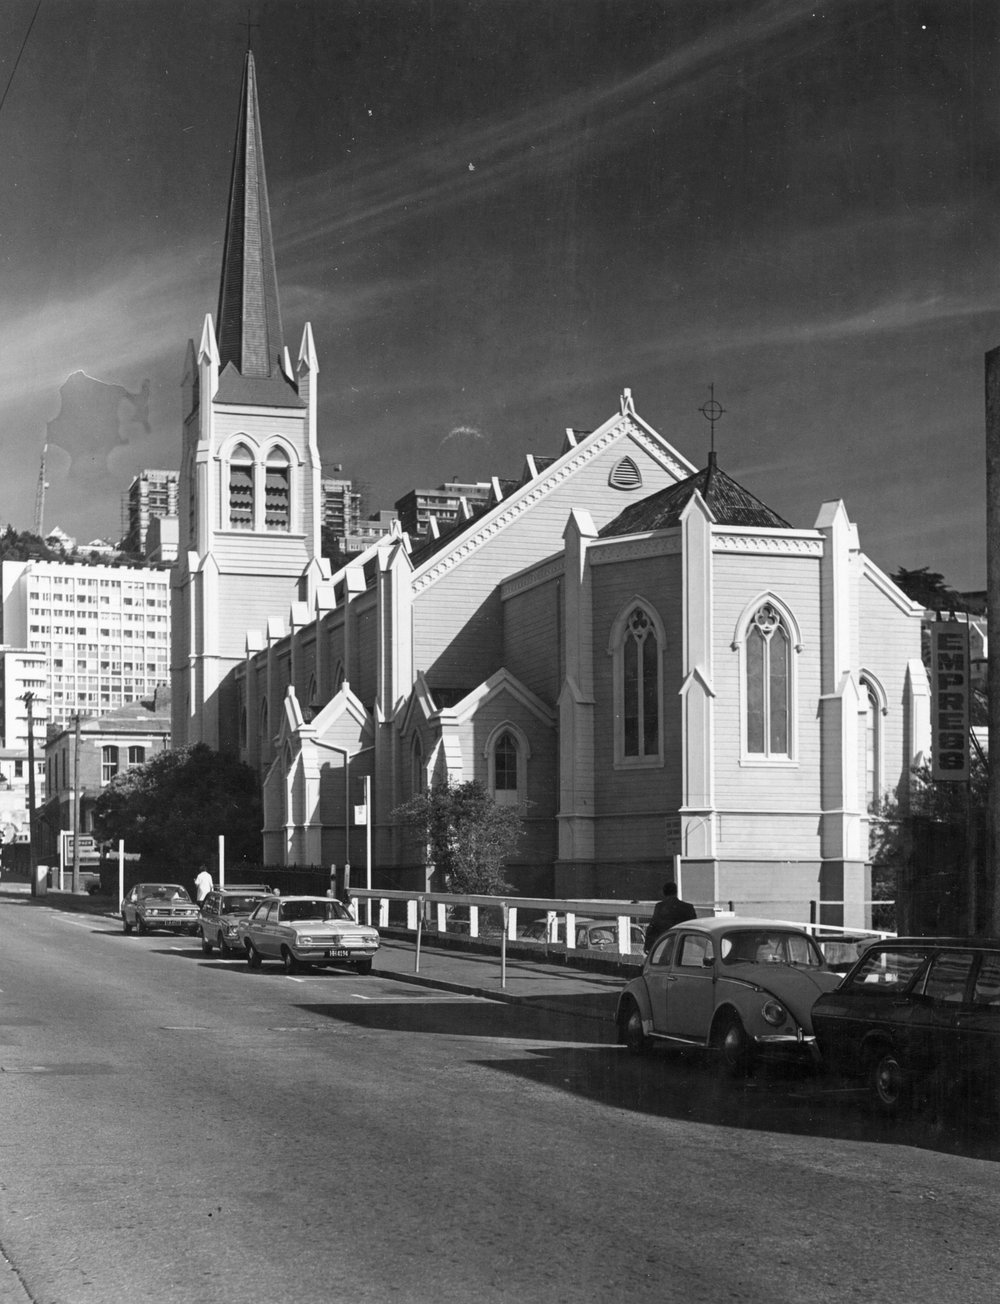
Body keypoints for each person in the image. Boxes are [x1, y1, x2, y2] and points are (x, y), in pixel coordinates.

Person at [643, 880, 697, 953]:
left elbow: (652, 927)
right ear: (676, 892)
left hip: (664, 945)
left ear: (664, 893)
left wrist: (648, 946)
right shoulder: (688, 908)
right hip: (684, 947)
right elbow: (695, 929)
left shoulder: (660, 907)